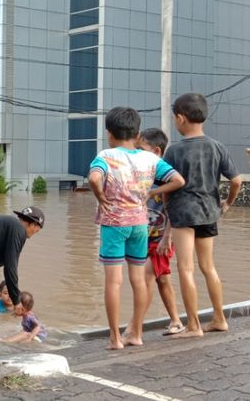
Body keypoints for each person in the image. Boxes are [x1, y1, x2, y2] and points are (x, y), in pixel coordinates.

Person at [88, 107, 185, 350]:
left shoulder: (106, 155)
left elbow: (93, 178)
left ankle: (115, 338)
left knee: (114, 282)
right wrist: (152, 192)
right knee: (139, 281)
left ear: (109, 133)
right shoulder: (151, 159)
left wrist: (100, 197)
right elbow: (178, 181)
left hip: (113, 225)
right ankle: (137, 334)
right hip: (140, 225)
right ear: (137, 132)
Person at [163, 93, 242, 338]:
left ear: (180, 118)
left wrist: (166, 211)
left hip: (183, 214)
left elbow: (167, 186)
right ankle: (219, 319)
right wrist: (226, 204)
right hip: (209, 212)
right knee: (208, 267)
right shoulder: (216, 146)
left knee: (186, 269)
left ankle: (194, 326)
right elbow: (237, 181)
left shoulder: (174, 151)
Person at [123, 128, 185, 339]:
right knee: (162, 280)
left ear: (156, 151)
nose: (137, 154)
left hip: (161, 239)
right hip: (144, 236)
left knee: (146, 277)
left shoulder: (166, 178)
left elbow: (172, 212)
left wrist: (167, 238)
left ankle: (133, 327)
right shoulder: (141, 176)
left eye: (141, 149)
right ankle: (176, 321)